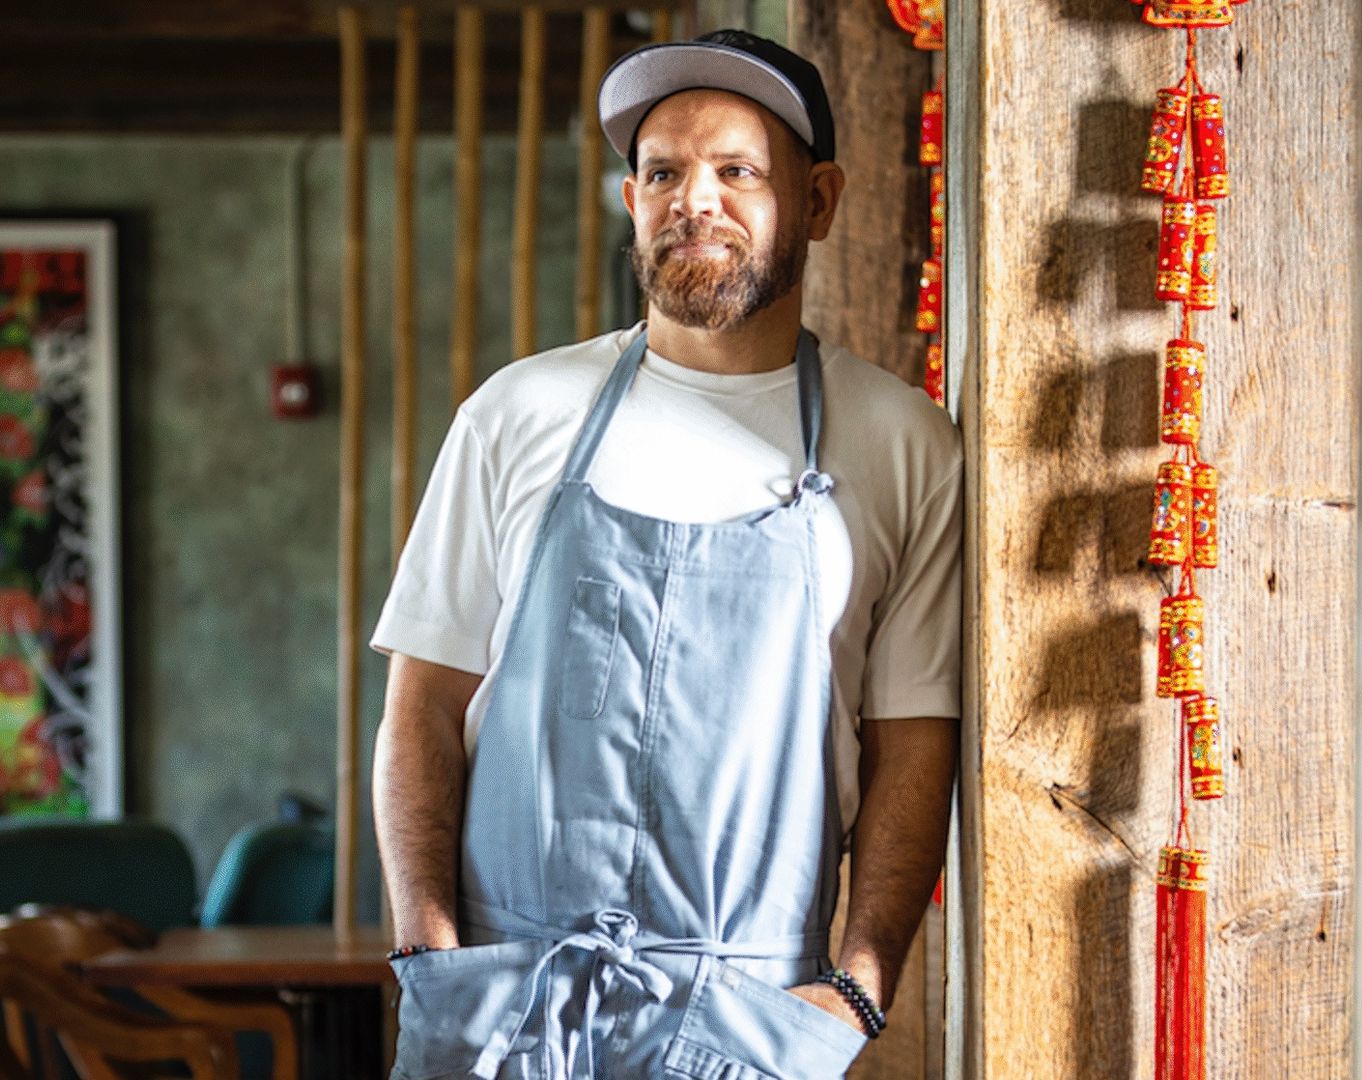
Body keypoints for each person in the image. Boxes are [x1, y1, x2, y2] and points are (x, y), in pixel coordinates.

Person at [371, 28, 961, 1080]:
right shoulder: (518, 414)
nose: (694, 200)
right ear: (632, 202)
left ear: (818, 201)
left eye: (737, 171)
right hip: (503, 1006)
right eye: (661, 173)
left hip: (749, 1012)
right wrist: (429, 948)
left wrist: (860, 985)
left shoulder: (901, 442)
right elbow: (421, 706)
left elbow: (911, 742)